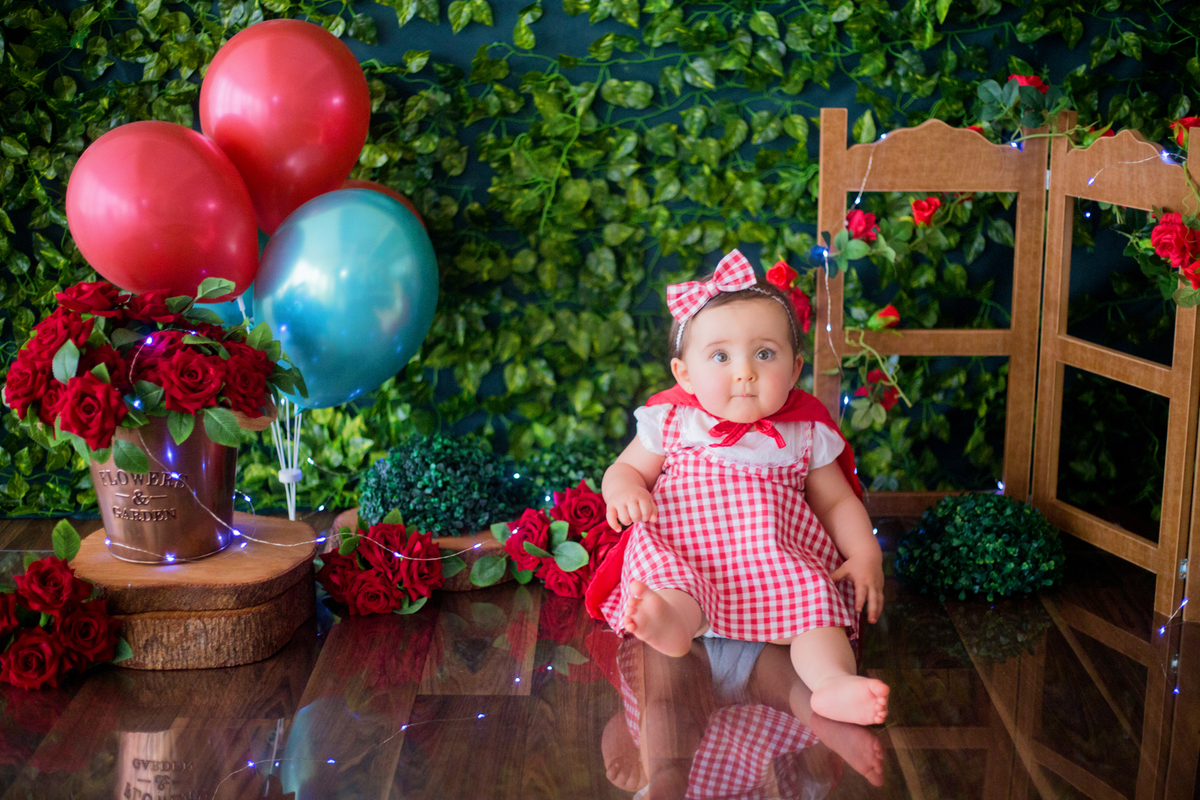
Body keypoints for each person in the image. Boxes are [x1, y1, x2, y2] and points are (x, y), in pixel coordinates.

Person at [586, 249, 889, 727]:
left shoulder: (804, 433)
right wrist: (625, 490)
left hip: (774, 560)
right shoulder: (674, 421)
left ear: (794, 370)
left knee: (817, 607)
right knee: (667, 573)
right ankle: (672, 622)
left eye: (764, 354)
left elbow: (835, 501)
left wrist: (864, 551)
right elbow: (623, 470)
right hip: (688, 547)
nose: (744, 371)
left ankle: (832, 682)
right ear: (684, 374)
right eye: (721, 356)